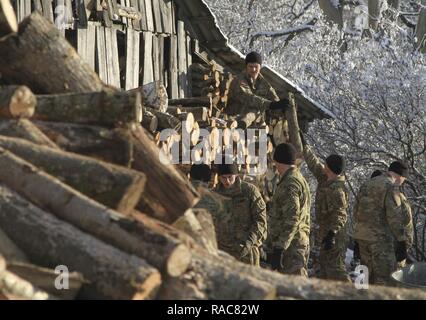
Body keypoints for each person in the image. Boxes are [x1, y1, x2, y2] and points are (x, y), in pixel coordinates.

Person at [300, 134, 350, 282]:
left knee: (336, 269)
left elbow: (341, 215)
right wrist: (305, 146)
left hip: (334, 236)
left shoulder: (337, 190)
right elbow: (313, 163)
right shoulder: (325, 178)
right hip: (325, 232)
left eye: (326, 164)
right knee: (325, 269)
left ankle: (351, 293)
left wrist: (332, 234)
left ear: (330, 168)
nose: (323, 165)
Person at [353, 161, 409, 285]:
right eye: (404, 179)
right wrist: (402, 241)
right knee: (385, 282)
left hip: (363, 239)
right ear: (400, 175)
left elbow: (356, 211)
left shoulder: (367, 184)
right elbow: (394, 217)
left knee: (366, 281)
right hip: (381, 242)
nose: (402, 183)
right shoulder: (390, 187)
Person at [268, 143, 311, 276]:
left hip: (292, 247)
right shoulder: (297, 178)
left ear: (278, 161)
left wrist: (280, 247)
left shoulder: (289, 184)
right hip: (294, 243)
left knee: (296, 289)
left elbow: (292, 218)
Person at [214, 160, 267, 266]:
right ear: (219, 177)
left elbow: (260, 221)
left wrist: (249, 242)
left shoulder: (249, 191)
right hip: (222, 253)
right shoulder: (214, 194)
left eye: (230, 177)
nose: (227, 181)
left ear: (236, 175)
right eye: (223, 178)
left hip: (246, 252)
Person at [226, 51, 289, 119]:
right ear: (246, 66)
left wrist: (281, 106)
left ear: (260, 67)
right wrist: (271, 105)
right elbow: (249, 98)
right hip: (233, 121)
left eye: (256, 66)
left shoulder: (263, 82)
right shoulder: (239, 80)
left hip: (254, 123)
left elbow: (273, 96)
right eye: (250, 66)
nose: (253, 69)